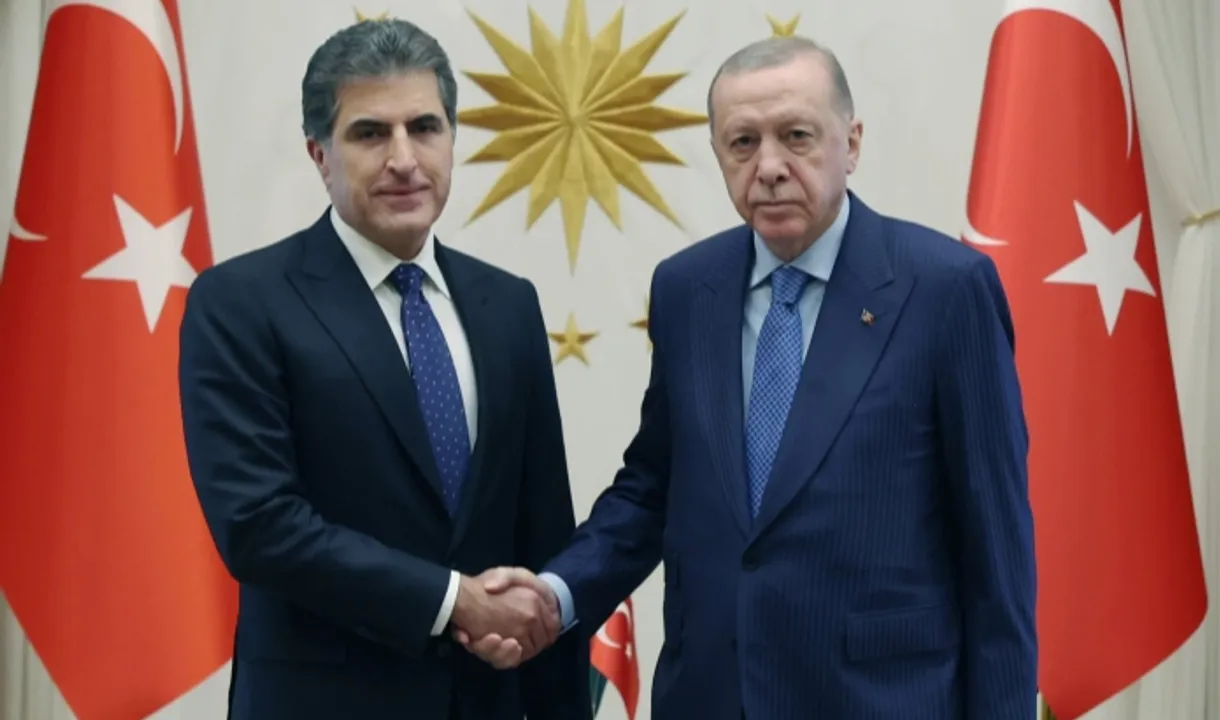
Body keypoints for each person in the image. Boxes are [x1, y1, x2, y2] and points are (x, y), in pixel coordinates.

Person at [459, 36, 1038, 718]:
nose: (768, 168)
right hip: (711, 695)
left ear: (851, 144)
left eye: (796, 137)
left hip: (878, 699)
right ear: (718, 153)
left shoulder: (944, 289)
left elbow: (996, 549)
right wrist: (556, 596)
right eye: (742, 143)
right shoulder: (686, 290)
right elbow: (653, 490)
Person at [177, 18, 590, 720]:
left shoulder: (508, 304)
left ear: (452, 138)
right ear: (320, 154)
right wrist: (452, 600)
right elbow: (259, 524)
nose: (404, 159)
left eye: (424, 128)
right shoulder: (241, 302)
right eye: (370, 133)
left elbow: (542, 529)